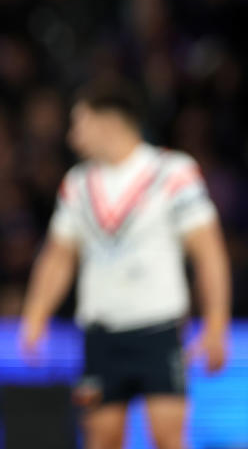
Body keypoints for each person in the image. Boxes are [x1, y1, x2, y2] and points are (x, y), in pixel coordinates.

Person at [20, 79, 231, 449]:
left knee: (168, 438)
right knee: (100, 439)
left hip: (159, 333)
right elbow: (59, 256)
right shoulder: (78, 183)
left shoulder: (172, 173)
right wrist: (35, 314)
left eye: (79, 122)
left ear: (109, 122)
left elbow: (208, 251)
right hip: (100, 339)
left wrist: (216, 324)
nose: (72, 136)